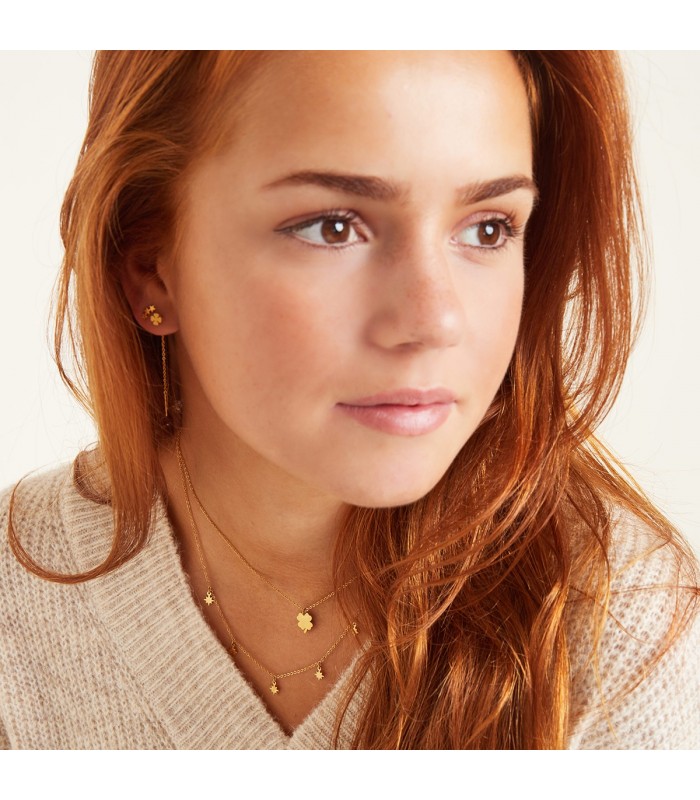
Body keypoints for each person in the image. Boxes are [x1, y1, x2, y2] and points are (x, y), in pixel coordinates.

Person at [1, 50, 698, 750]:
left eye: (488, 228)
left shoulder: (617, 625)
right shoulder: (17, 595)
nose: (435, 320)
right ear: (151, 270)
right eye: (332, 226)